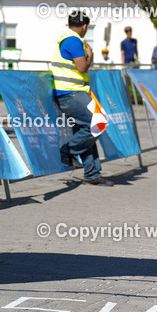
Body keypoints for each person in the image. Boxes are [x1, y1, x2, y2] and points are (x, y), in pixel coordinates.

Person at [52, 10, 113, 186]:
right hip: (72, 93)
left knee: (87, 131)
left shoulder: (65, 38)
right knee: (98, 123)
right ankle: (68, 151)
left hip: (70, 93)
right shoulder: (73, 40)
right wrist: (90, 56)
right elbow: (82, 68)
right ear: (84, 26)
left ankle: (92, 174)